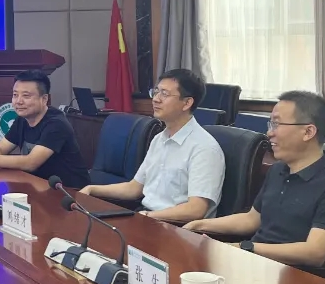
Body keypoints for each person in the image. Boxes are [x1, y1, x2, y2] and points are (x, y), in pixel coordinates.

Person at [184, 91, 325, 268]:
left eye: (276, 124)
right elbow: (252, 219)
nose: (269, 132)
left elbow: (315, 252)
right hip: (256, 264)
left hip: (294, 275)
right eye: (271, 124)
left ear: (308, 132)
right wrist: (201, 224)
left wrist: (246, 248)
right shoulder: (278, 170)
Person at [81, 69, 224, 222]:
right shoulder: (159, 139)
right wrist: (92, 189)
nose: (156, 99)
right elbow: (134, 188)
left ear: (187, 103)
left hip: (175, 226)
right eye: (156, 92)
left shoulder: (204, 148)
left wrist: (149, 216)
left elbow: (196, 209)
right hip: (147, 217)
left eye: (165, 94)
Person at [0, 69, 89, 188]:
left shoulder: (57, 124)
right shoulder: (22, 119)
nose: (18, 101)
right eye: (15, 95)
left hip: (70, 192)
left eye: (26, 96)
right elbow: (0, 148)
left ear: (44, 99)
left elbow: (31, 163)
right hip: (37, 185)